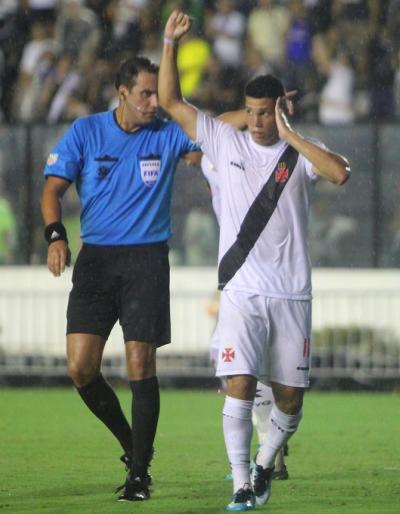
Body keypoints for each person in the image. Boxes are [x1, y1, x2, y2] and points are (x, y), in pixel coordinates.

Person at [159, 10, 350, 511]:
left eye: (265, 112)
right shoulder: (225, 142)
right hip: (242, 289)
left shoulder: (298, 152)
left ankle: (266, 464)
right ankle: (242, 482)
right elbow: (172, 102)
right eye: (252, 112)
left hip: (291, 293)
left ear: (279, 112)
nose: (258, 121)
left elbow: (339, 173)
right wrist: (169, 44)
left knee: (290, 398)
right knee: (239, 384)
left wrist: (288, 131)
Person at [40, 55, 199, 503]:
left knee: (139, 365)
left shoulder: (166, 133)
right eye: (146, 94)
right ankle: (133, 447)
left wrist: (252, 117)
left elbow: (214, 135)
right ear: (122, 92)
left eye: (156, 93)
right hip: (96, 260)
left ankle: (140, 475)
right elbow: (53, 188)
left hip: (147, 259)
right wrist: (55, 237)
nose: (154, 102)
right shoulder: (87, 132)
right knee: (80, 367)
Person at [202, 154, 289, 481]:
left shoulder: (232, 160)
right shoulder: (215, 165)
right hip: (238, 277)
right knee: (235, 365)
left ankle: (268, 455)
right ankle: (265, 456)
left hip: (263, 278)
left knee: (255, 369)